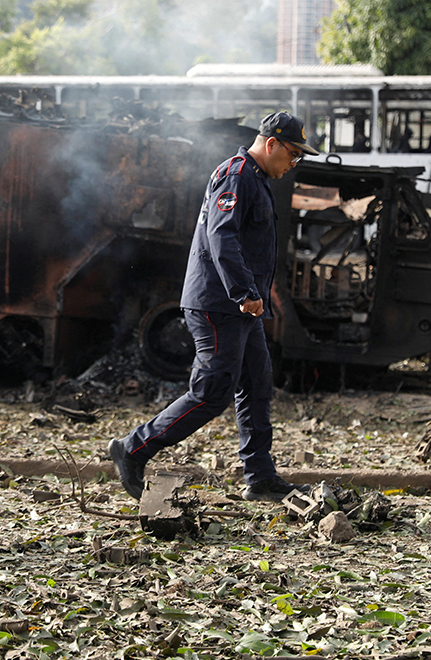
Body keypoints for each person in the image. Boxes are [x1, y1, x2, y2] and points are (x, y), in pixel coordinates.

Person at [109, 111, 318, 502]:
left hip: (239, 306)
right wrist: (244, 292)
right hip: (221, 304)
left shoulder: (254, 178)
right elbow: (222, 237)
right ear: (271, 143)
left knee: (256, 384)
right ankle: (133, 448)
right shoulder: (237, 175)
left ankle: (260, 478)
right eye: (293, 154)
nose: (294, 163)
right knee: (211, 393)